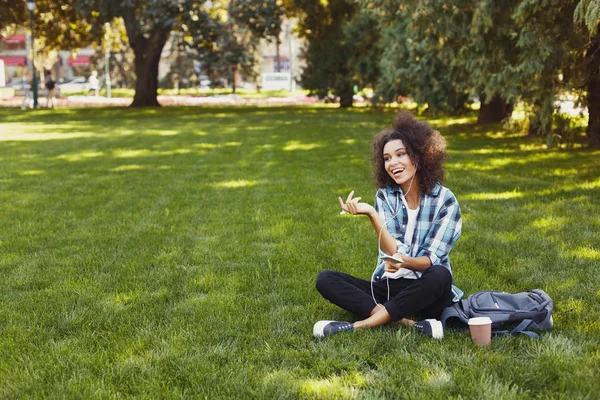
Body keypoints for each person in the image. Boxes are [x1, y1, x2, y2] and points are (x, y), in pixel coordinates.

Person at [313, 111, 462, 339]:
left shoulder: (445, 200)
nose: (393, 163)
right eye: (387, 158)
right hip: (391, 288)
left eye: (400, 154)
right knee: (326, 279)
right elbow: (391, 252)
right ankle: (406, 323)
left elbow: (429, 261)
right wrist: (372, 215)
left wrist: (404, 262)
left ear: (419, 156)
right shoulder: (385, 197)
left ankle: (359, 326)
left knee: (441, 275)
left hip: (428, 289)